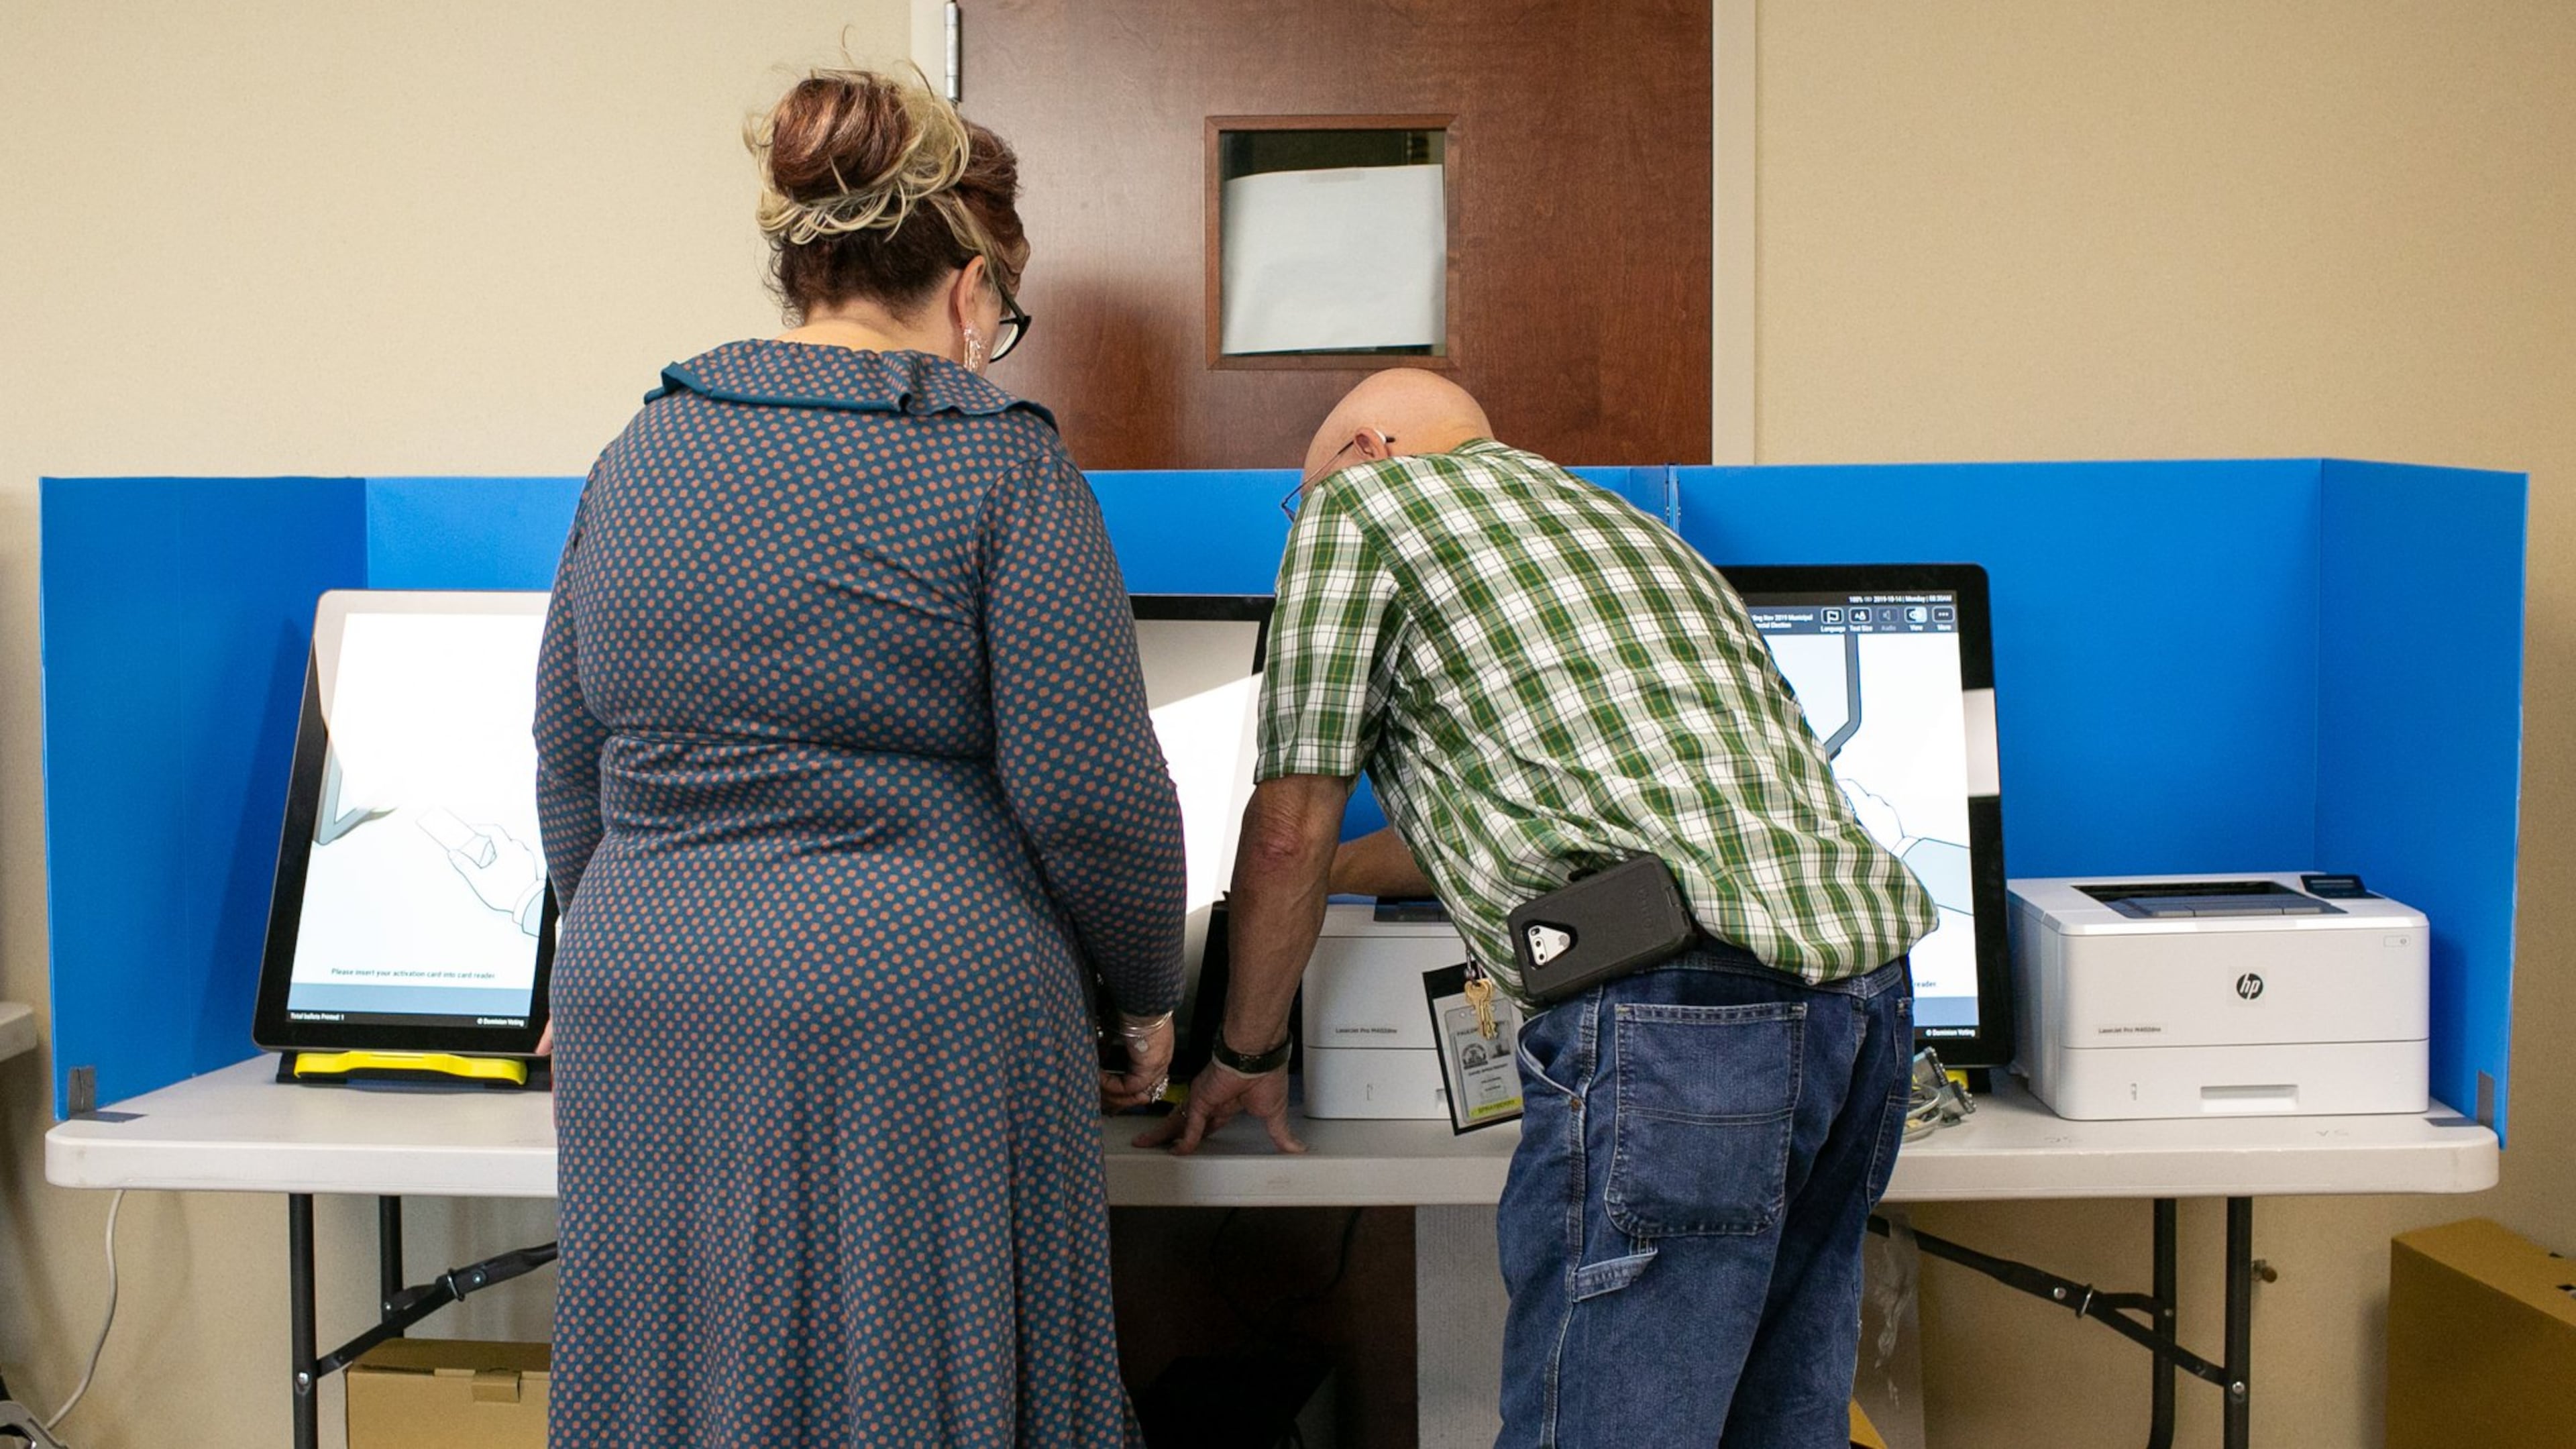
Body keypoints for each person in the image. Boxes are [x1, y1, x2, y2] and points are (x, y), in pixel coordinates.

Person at [535, 66, 1185, 1446]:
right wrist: (1143, 997)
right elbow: (1093, 798)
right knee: (913, 1381)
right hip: (916, 1009)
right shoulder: (997, 464)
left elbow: (566, 747)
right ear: (970, 290)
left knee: (673, 1381)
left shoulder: (636, 455)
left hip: (641, 998)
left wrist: (620, 929)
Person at [1146, 370, 1935, 1448]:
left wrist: (1244, 1049)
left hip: (1681, 1030)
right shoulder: (1631, 535)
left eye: (1305, 491)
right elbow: (1555, 829)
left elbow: (1288, 825)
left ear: (1369, 450)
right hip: (1864, 1009)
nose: (1306, 515)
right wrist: (1323, 876)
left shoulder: (1367, 505)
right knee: (1780, 1423)